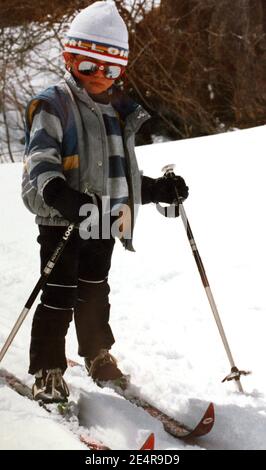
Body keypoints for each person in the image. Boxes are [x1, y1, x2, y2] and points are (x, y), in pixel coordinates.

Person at [22, 0, 189, 403]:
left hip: (104, 220)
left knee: (95, 290)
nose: (100, 76)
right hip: (62, 220)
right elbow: (40, 159)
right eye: (88, 66)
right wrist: (59, 195)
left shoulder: (119, 112)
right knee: (59, 291)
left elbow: (121, 176)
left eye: (111, 68)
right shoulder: (54, 104)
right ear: (69, 58)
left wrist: (156, 190)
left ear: (122, 69)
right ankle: (47, 369)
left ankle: (96, 353)